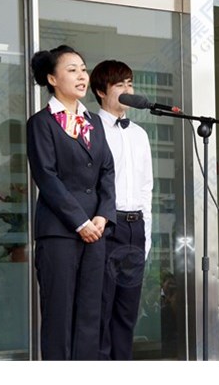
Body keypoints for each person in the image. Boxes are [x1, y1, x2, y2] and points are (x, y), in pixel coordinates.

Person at [26, 45, 116, 360]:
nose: (81, 76)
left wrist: (103, 216)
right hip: (60, 233)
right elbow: (47, 177)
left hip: (96, 233)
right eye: (72, 70)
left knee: (90, 314)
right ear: (52, 79)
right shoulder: (41, 123)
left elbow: (107, 171)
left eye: (83, 69)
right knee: (59, 316)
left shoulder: (95, 122)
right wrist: (80, 222)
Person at [90, 60, 153, 360]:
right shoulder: (91, 130)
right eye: (119, 85)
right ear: (101, 91)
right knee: (101, 311)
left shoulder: (140, 134)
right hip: (106, 226)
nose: (128, 90)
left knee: (128, 313)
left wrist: (146, 236)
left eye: (130, 83)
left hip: (134, 229)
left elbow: (146, 188)